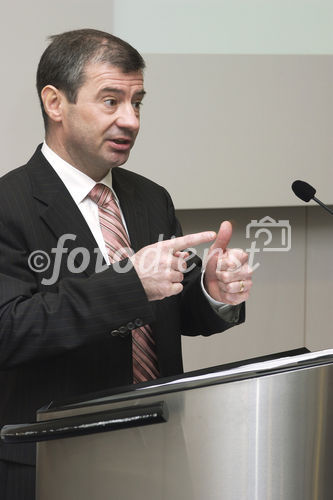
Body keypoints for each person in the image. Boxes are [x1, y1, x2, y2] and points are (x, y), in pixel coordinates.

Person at [0, 29, 252, 499]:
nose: (131, 120)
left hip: (157, 447)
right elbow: (9, 329)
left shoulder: (149, 197)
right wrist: (128, 285)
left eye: (137, 103)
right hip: (57, 461)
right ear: (55, 103)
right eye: (111, 101)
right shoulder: (9, 205)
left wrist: (210, 293)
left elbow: (168, 309)